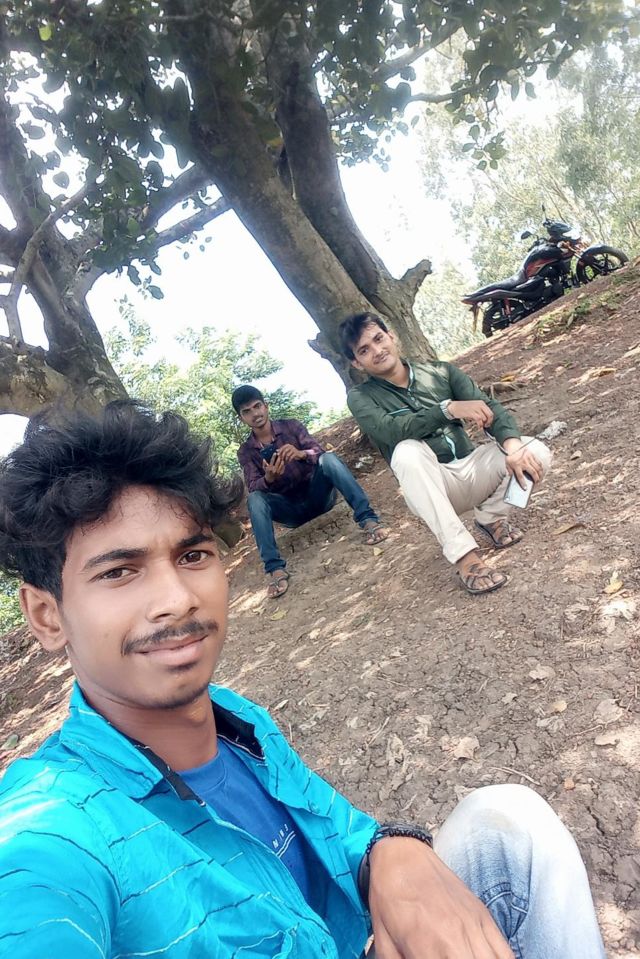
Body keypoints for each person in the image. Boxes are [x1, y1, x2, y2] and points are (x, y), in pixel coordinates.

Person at [0, 402, 606, 959]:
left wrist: (395, 852)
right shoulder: (52, 831)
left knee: (508, 822)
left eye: (192, 556)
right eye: (119, 572)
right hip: (281, 507)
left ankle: (367, 518)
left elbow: (341, 831)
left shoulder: (238, 721)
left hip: (315, 490)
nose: (177, 599)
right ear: (47, 616)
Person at [339, 313, 553, 596]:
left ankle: (492, 518)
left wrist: (513, 448)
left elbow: (490, 408)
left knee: (534, 451)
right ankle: (465, 558)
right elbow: (391, 431)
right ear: (356, 362)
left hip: (473, 470)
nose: (377, 351)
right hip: (430, 485)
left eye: (379, 339)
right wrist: (447, 410)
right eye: (364, 350)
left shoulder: (440, 372)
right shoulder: (361, 397)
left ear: (391, 336)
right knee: (406, 451)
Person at [232, 385, 387, 599]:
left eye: (257, 406)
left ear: (266, 406)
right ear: (241, 418)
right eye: (247, 411)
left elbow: (319, 452)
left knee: (329, 459)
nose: (255, 414)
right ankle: (275, 569)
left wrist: (301, 454)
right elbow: (253, 486)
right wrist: (268, 479)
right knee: (255, 499)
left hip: (318, 495)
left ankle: (368, 520)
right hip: (289, 510)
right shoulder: (246, 451)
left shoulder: (291, 426)